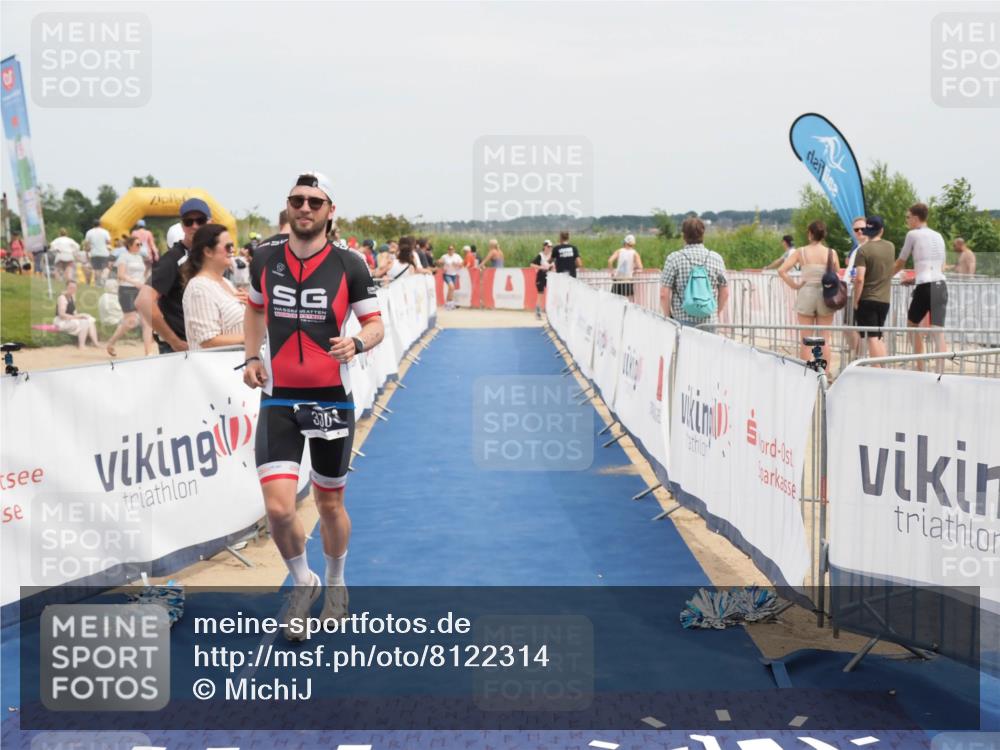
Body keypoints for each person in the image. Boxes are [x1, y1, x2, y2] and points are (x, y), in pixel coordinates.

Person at [243, 172, 384, 640]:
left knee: (328, 502)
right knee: (280, 509)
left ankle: (337, 583)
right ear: (288, 207)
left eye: (314, 202)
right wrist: (250, 356)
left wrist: (358, 344)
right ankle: (303, 581)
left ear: (329, 211)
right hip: (279, 397)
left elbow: (375, 325)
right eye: (296, 200)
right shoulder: (263, 256)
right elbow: (255, 307)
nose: (304, 208)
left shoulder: (351, 264)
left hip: (330, 399)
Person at [138, 198, 211, 354]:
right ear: (182, 225)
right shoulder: (174, 259)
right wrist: (173, 341)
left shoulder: (208, 257)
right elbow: (143, 301)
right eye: (188, 221)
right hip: (180, 350)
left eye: (200, 220)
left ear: (209, 222)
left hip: (205, 346)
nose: (195, 226)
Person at [778, 220, 837, 375]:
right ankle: (825, 373)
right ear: (824, 235)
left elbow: (782, 270)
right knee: (824, 338)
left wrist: (795, 285)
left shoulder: (801, 252)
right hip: (826, 295)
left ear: (810, 234)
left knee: (806, 338)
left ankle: (806, 374)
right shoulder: (831, 253)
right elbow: (836, 273)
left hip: (806, 293)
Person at [893, 202, 948, 367]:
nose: (907, 220)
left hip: (925, 286)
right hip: (941, 284)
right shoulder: (938, 236)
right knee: (938, 331)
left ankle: (920, 366)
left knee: (912, 325)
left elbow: (900, 262)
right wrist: (915, 278)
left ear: (916, 218)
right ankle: (940, 371)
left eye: (908, 217)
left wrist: (886, 276)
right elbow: (941, 265)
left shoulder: (913, 235)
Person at [182, 224, 245, 351]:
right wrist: (251, 337)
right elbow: (208, 340)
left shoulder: (226, 282)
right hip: (217, 368)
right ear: (208, 252)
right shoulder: (199, 289)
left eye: (232, 246)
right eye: (228, 247)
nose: (232, 250)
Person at [660, 217, 729, 327]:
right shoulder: (716, 258)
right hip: (709, 321)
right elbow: (725, 292)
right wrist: (715, 313)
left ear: (684, 235)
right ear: (703, 233)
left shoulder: (674, 258)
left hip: (681, 321)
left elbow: (664, 294)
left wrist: (668, 317)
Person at [852, 215, 895, 360]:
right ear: (881, 230)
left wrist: (856, 300)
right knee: (878, 336)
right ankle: (883, 367)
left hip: (867, 298)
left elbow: (859, 279)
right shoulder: (890, 247)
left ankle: (878, 369)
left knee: (872, 338)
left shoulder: (863, 251)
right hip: (884, 299)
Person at [106, 236, 155, 357]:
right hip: (127, 289)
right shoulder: (124, 257)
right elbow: (121, 275)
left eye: (140, 245)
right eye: (137, 244)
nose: (139, 247)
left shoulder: (139, 257)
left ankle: (148, 352)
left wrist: (144, 283)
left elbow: (142, 272)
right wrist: (135, 282)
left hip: (140, 289)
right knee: (131, 321)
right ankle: (111, 343)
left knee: (147, 321)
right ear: (129, 245)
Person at [843, 217, 869, 355]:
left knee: (858, 328)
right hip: (849, 291)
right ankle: (857, 356)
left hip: (861, 292)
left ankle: (859, 358)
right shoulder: (856, 247)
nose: (859, 232)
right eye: (856, 229)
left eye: (862, 229)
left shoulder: (869, 247)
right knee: (848, 327)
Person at [53, 280, 100, 349]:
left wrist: (80, 316)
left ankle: (96, 343)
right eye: (71, 287)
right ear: (66, 287)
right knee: (84, 322)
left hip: (69, 319)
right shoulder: (62, 298)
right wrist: (78, 317)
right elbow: (62, 315)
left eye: (74, 288)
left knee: (90, 320)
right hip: (61, 321)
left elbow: (74, 311)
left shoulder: (72, 296)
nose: (73, 289)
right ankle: (81, 345)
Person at [608, 234, 643, 298]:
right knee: (627, 300)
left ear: (625, 242)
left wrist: (612, 272)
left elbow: (610, 261)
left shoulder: (619, 251)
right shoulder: (635, 253)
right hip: (628, 280)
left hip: (617, 280)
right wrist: (634, 268)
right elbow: (640, 267)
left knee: (615, 299)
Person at [530, 240, 554, 319]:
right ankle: (538, 312)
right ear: (544, 246)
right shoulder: (540, 255)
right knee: (540, 294)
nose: (550, 248)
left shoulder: (552, 256)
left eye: (551, 247)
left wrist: (553, 269)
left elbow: (553, 265)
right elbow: (532, 264)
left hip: (549, 276)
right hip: (541, 275)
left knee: (551, 293)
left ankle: (549, 311)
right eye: (548, 246)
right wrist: (541, 267)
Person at [84, 220, 112, 287]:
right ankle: (103, 281)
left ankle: (97, 284)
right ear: (100, 224)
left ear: (93, 225)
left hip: (94, 253)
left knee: (96, 269)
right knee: (105, 268)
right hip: (104, 253)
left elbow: (87, 244)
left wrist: (87, 252)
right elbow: (109, 242)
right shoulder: (105, 232)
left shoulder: (89, 232)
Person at [437, 245, 464, 309]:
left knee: (451, 289)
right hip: (447, 274)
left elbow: (462, 264)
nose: (450, 250)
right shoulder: (445, 256)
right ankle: (450, 302)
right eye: (449, 249)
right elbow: (439, 261)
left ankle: (448, 303)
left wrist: (457, 264)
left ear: (454, 250)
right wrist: (440, 262)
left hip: (454, 274)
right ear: (448, 250)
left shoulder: (457, 256)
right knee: (451, 287)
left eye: (452, 249)